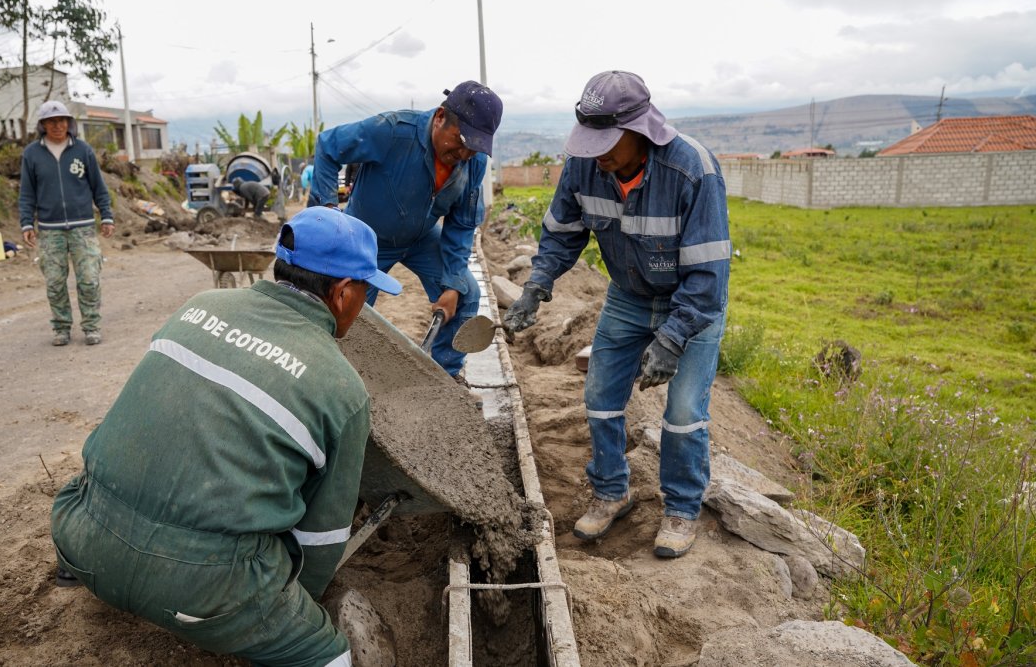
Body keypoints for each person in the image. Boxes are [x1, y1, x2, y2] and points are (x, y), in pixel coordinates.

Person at [50, 206, 401, 666]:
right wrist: (289, 609)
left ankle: (71, 574)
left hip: (80, 538)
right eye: (366, 290)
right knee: (331, 656)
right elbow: (321, 539)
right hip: (200, 595)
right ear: (341, 293)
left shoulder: (199, 306)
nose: (365, 303)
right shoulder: (343, 388)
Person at [503, 70, 730, 558]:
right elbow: (562, 235)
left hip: (691, 302)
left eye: (607, 141)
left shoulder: (693, 171)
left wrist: (671, 338)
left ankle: (682, 507)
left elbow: (709, 276)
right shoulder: (583, 167)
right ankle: (611, 492)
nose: (596, 152)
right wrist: (535, 286)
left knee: (684, 412)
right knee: (600, 397)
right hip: (628, 297)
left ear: (641, 130)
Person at [309, 80, 503, 378]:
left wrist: (451, 285)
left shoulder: (472, 164)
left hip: (420, 238)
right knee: (345, 309)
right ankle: (344, 382)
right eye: (461, 141)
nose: (465, 154)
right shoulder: (392, 131)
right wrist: (327, 212)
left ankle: (445, 381)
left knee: (466, 293)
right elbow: (328, 146)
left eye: (473, 148)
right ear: (440, 118)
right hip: (366, 238)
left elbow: (462, 223)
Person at [19, 100, 114, 347]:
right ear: (42, 125)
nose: (58, 125)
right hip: (50, 231)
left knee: (89, 278)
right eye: (51, 121)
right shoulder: (32, 155)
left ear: (69, 123)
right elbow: (27, 194)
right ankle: (61, 327)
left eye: (62, 120)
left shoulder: (83, 151)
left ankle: (92, 326)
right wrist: (27, 224)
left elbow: (98, 187)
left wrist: (106, 216)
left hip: (83, 227)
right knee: (54, 282)